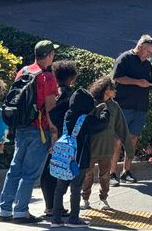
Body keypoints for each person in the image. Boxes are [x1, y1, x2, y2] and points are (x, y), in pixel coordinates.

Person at [0, 40, 59, 224]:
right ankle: (21, 211)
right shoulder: (47, 77)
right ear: (49, 55)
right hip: (39, 129)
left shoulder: (23, 71)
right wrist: (54, 132)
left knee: (14, 169)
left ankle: (5, 209)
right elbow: (50, 108)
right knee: (30, 173)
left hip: (21, 127)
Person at [50, 89, 109, 228]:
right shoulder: (85, 120)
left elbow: (53, 114)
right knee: (76, 188)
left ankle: (56, 219)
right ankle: (73, 219)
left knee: (60, 189)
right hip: (79, 159)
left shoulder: (66, 115)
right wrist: (105, 110)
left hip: (63, 158)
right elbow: (102, 123)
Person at [109, 34, 152, 185]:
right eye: (147, 51)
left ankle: (126, 172)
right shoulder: (125, 58)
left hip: (140, 108)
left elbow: (150, 83)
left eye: (151, 52)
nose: (149, 55)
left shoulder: (147, 65)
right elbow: (116, 77)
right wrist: (137, 82)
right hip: (123, 106)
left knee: (133, 140)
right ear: (140, 47)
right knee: (117, 141)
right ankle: (111, 174)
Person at [81, 77, 133, 211]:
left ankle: (103, 199)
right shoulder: (91, 103)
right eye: (112, 88)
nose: (115, 91)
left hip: (107, 147)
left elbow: (122, 127)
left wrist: (129, 149)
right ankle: (85, 199)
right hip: (91, 146)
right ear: (105, 90)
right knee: (87, 174)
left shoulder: (114, 106)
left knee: (105, 176)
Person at [40, 60, 78, 220]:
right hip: (64, 139)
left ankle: (50, 206)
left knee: (48, 170)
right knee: (62, 171)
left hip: (46, 133)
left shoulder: (54, 93)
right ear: (72, 78)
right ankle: (56, 207)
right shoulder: (71, 96)